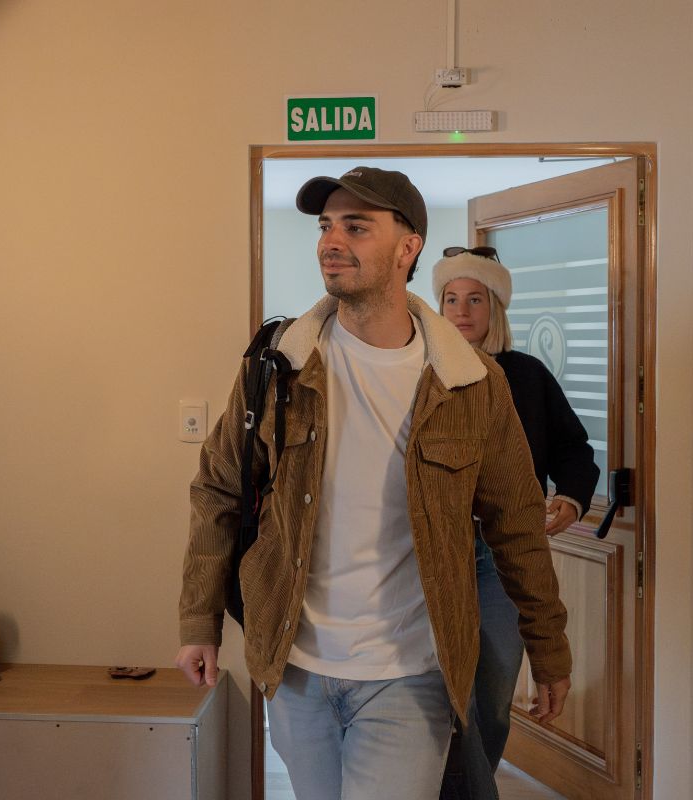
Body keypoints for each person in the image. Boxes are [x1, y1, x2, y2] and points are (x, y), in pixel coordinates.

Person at [176, 167, 573, 800]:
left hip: (409, 674)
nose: (332, 242)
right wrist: (199, 619)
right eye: (326, 227)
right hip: (294, 666)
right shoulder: (279, 365)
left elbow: (518, 524)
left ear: (408, 247)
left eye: (356, 227)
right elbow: (219, 490)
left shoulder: (471, 382)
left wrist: (548, 646)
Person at [434, 245, 599, 799]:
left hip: (503, 553)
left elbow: (574, 449)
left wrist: (571, 498)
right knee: (440, 693)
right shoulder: (422, 372)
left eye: (474, 300)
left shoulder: (527, 376)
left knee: (494, 692)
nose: (461, 311)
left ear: (495, 308)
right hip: (435, 550)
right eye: (450, 299)